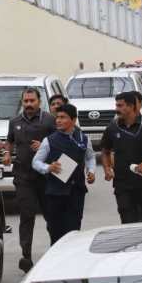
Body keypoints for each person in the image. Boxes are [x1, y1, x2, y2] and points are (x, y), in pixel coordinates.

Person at [3, 88, 55, 272]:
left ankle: (56, 250)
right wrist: (7, 153)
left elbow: (60, 141)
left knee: (51, 216)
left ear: (39, 101)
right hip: (23, 176)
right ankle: (26, 256)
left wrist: (45, 146)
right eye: (26, 101)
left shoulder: (49, 120)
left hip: (46, 176)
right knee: (26, 215)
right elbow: (9, 141)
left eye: (32, 101)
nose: (29, 104)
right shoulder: (14, 121)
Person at [31, 104, 94, 245]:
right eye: (57, 117)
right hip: (55, 193)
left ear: (73, 120)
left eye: (63, 117)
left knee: (73, 231)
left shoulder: (84, 139)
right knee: (56, 232)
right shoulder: (49, 140)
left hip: (76, 192)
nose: (58, 120)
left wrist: (91, 171)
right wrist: (48, 168)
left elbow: (90, 157)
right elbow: (35, 162)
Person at [101, 92, 142, 223]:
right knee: (128, 222)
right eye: (116, 105)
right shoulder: (112, 128)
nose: (117, 109)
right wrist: (107, 168)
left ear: (131, 106)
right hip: (122, 185)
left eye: (120, 106)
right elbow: (105, 151)